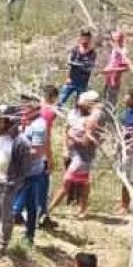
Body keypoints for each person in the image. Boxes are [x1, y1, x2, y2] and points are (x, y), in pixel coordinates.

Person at [0, 105, 31, 257]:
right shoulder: (0, 137)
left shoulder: (21, 142)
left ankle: (2, 245)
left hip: (7, 185)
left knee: (6, 217)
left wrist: (14, 184)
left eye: (1, 120)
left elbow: (25, 169)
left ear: (11, 121)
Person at [49, 91, 100, 220]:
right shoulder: (78, 115)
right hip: (77, 155)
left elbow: (86, 142)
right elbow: (67, 129)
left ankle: (49, 209)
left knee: (67, 182)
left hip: (82, 158)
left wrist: (72, 137)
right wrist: (67, 145)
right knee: (84, 182)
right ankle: (82, 209)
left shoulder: (91, 120)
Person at [14, 100, 51, 244]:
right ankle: (27, 234)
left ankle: (28, 236)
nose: (23, 111)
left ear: (35, 109)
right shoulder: (31, 123)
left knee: (27, 204)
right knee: (28, 204)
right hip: (24, 171)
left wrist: (16, 154)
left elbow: (37, 151)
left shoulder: (38, 127)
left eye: (26, 108)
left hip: (31, 171)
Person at [60, 29, 96, 107]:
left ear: (89, 39)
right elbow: (69, 63)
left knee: (80, 104)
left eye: (87, 38)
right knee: (61, 99)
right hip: (72, 80)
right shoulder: (75, 49)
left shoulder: (92, 53)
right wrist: (68, 77)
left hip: (83, 82)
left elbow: (90, 67)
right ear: (80, 37)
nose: (85, 39)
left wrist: (79, 65)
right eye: (83, 37)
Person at [102, 29, 129, 108]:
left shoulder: (123, 50)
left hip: (115, 82)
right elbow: (113, 62)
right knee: (104, 101)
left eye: (117, 37)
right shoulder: (114, 49)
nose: (115, 39)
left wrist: (112, 70)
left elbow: (126, 68)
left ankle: (110, 115)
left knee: (111, 103)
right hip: (108, 80)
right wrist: (106, 69)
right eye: (114, 37)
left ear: (121, 37)